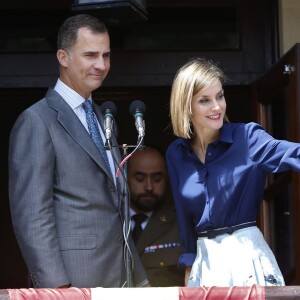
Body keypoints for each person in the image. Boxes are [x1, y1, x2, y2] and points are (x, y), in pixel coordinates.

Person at [8, 14, 148, 288]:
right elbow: (32, 216)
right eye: (90, 55)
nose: (101, 65)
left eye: (106, 56)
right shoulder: (37, 120)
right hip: (72, 283)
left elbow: (115, 207)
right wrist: (56, 288)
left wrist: (139, 279)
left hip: (121, 280)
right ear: (63, 57)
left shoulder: (102, 117)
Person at [165, 57, 300, 287]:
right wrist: (189, 266)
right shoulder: (176, 153)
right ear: (186, 105)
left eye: (220, 96)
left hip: (245, 257)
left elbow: (293, 154)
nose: (217, 107)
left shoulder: (247, 138)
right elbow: (183, 219)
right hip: (204, 263)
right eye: (205, 100)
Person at [127, 147, 184, 287]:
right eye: (140, 178)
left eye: (157, 178)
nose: (149, 187)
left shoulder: (181, 224)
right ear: (125, 176)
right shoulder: (113, 221)